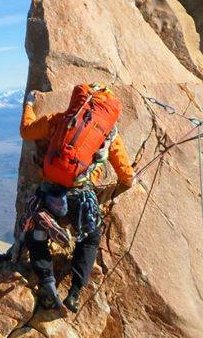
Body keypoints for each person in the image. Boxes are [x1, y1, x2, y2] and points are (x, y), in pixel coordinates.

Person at [19, 84, 135, 312]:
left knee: (35, 234)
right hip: (80, 195)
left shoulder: (60, 120)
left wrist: (29, 104)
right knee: (90, 238)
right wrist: (128, 181)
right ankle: (74, 293)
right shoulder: (109, 133)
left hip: (49, 190)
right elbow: (125, 174)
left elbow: (26, 130)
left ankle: (46, 282)